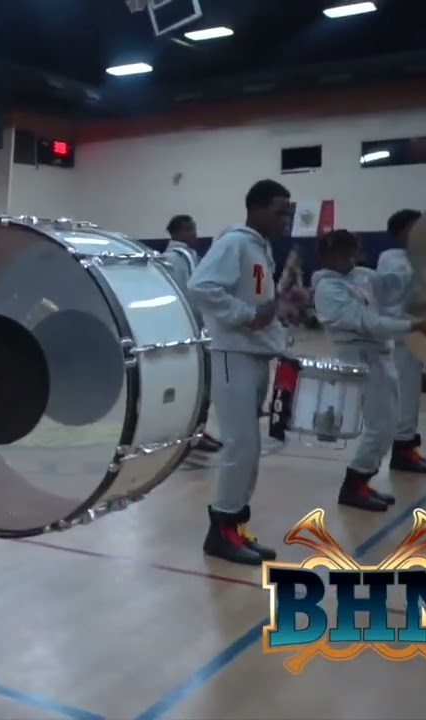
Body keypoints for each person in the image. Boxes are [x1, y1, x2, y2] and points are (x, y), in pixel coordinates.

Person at [186, 179, 293, 567]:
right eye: (280, 211)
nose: (286, 219)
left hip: (255, 355)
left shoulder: (260, 249)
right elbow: (200, 286)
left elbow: (262, 306)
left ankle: (237, 526)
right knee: (240, 446)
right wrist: (247, 317)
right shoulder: (234, 243)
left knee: (249, 450)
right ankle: (220, 531)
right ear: (257, 208)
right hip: (233, 355)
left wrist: (281, 307)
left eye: (288, 212)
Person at [312, 230, 426, 511]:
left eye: (354, 253)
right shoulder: (327, 288)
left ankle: (363, 481)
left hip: (380, 355)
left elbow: (394, 284)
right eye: (346, 253)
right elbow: (367, 321)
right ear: (328, 256)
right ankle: (354, 482)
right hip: (357, 357)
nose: (352, 258)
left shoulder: (360, 275)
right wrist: (412, 325)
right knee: (380, 425)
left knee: (390, 422)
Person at [375, 210, 426, 474]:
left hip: (415, 332)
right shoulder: (393, 259)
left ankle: (407, 447)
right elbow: (399, 297)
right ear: (401, 232)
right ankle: (403, 452)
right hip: (400, 335)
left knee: (411, 394)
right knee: (405, 396)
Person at [161, 214, 223, 454]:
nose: (195, 234)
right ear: (181, 231)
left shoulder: (187, 256)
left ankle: (196, 430)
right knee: (193, 384)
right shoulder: (174, 259)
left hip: (195, 328)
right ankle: (188, 433)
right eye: (192, 229)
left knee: (201, 383)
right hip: (185, 329)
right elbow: (185, 294)